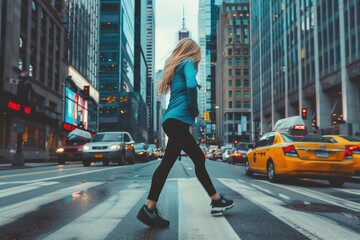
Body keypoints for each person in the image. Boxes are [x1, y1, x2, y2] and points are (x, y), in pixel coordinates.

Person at [137, 38, 234, 228]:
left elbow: (185, 87)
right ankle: (150, 208)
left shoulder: (176, 67)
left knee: (189, 160)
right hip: (178, 121)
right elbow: (190, 85)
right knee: (188, 160)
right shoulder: (188, 62)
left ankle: (213, 200)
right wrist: (195, 108)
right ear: (192, 52)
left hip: (171, 121)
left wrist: (192, 92)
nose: (197, 59)